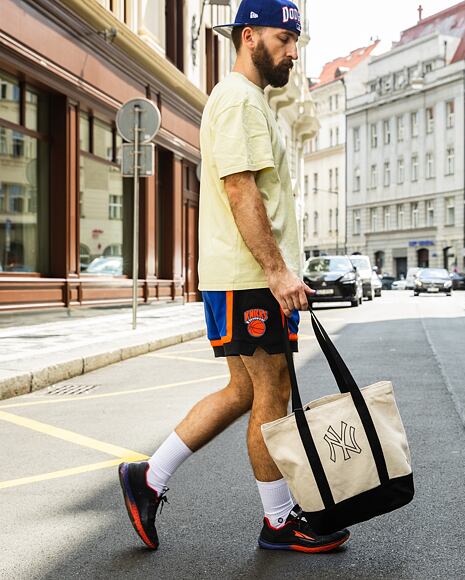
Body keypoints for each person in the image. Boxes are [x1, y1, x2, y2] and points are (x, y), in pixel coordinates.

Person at [118, 0, 350, 554]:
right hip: (250, 278)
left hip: (244, 277)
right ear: (250, 37)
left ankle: (149, 478)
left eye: (297, 41)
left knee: (246, 389)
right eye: (283, 39)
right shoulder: (239, 101)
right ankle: (278, 522)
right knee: (273, 389)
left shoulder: (253, 103)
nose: (293, 51)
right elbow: (240, 190)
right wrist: (277, 271)